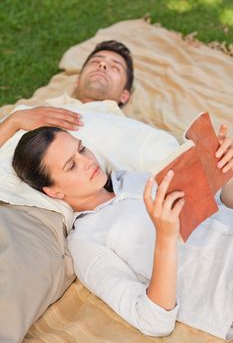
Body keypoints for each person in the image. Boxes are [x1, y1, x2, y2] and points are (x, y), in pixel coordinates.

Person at [12, 124, 233, 340]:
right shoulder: (85, 243)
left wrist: (226, 172)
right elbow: (153, 321)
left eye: (81, 149)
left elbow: (222, 206)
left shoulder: (133, 179)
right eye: (71, 165)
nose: (88, 161)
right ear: (53, 191)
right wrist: (165, 238)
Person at [0, 40, 134, 148]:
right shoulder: (30, 111)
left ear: (124, 95)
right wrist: (14, 121)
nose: (102, 65)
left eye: (115, 67)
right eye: (95, 62)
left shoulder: (125, 132)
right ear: (77, 81)